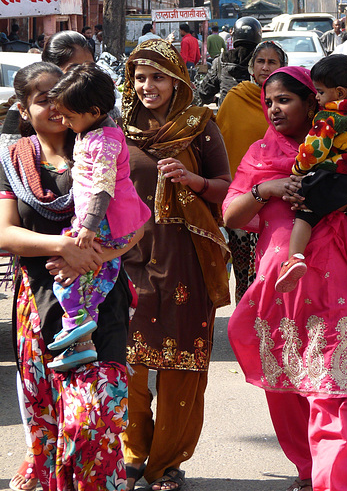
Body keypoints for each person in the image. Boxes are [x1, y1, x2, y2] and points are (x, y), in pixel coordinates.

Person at [223, 66, 347, 491]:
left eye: (285, 100)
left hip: (340, 288)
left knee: (337, 388)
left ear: (313, 102)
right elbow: (230, 215)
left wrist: (333, 200)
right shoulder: (260, 154)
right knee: (288, 388)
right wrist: (270, 189)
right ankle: (308, 467)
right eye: (271, 101)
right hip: (281, 290)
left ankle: (334, 482)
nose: (274, 109)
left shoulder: (346, 143)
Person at [0, 61, 142, 491]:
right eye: (44, 101)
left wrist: (98, 255)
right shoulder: (11, 161)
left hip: (101, 299)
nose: (56, 109)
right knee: (48, 418)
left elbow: (135, 222)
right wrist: (64, 247)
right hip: (40, 303)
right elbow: (5, 232)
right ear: (24, 111)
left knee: (91, 421)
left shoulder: (101, 146)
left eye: (60, 98)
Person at [121, 38, 231, 491]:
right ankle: (132, 454)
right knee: (131, 361)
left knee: (180, 363)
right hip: (128, 258)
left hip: (186, 256)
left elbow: (225, 185)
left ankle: (166, 462)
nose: (148, 86)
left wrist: (193, 180)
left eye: (158, 77)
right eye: (140, 77)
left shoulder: (201, 124)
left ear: (176, 80)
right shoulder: (118, 130)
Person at [45, 63, 151, 371]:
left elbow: (103, 188)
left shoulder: (103, 140)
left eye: (69, 116)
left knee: (80, 274)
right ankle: (78, 336)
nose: (63, 121)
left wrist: (89, 227)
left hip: (104, 221)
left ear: (92, 110)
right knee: (78, 275)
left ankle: (79, 333)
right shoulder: (92, 130)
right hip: (96, 220)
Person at [276, 55, 347, 314]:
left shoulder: (329, 116)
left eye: (319, 91)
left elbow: (314, 150)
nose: (316, 97)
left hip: (339, 173)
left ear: (337, 92)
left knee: (305, 211)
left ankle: (294, 259)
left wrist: (299, 171)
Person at [216, 40, 288, 301]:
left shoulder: (291, 103)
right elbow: (221, 144)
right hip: (243, 200)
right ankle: (245, 327)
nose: (265, 67)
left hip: (281, 202)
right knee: (243, 270)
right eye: (261, 61)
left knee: (273, 271)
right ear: (251, 66)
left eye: (272, 62)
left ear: (283, 67)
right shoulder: (236, 98)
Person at [0, 30, 96, 149]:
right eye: (74, 70)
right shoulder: (24, 110)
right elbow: (7, 159)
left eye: (91, 69)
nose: (85, 77)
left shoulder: (100, 107)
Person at [194, 16, 262, 106]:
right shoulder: (265, 62)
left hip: (227, 116)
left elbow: (204, 93)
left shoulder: (220, 62)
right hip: (258, 115)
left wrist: (216, 100)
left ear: (234, 36)